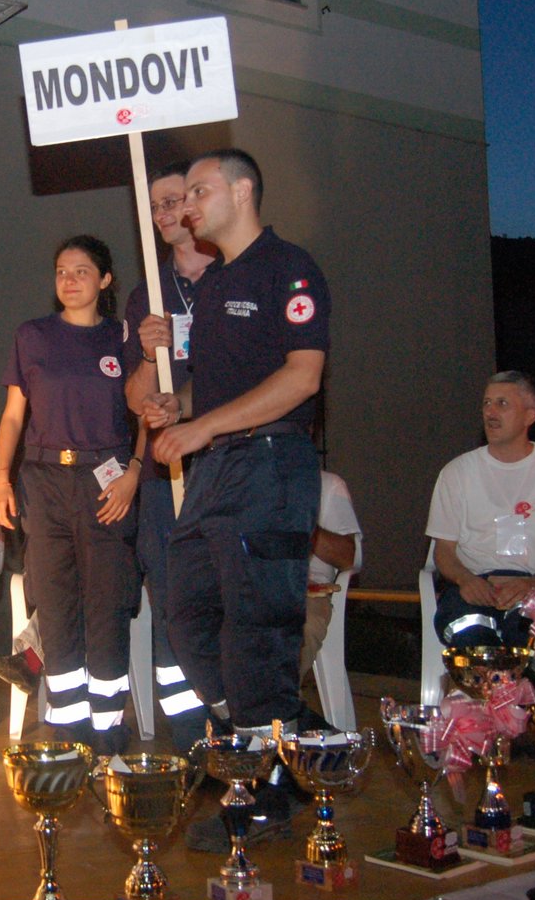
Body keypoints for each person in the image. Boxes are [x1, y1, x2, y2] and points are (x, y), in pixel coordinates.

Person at [141, 149, 331, 846]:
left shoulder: (290, 268)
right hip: (217, 469)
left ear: (243, 190)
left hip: (271, 465)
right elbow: (214, 390)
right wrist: (179, 405)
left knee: (257, 628)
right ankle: (292, 741)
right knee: (188, 616)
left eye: (199, 189)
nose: (187, 202)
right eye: (183, 192)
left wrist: (202, 427)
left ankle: (268, 791)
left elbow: (303, 377)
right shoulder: (216, 284)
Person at [0, 235, 141, 755]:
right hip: (44, 479)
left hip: (107, 481)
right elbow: (14, 415)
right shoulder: (32, 336)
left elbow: (150, 408)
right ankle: (68, 727)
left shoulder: (123, 337)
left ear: (104, 280)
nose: (70, 279)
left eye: (82, 270)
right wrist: (0, 479)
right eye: (61, 270)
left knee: (106, 602)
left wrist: (135, 473)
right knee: (54, 602)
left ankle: (109, 728)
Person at [121, 159, 216, 755]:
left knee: (226, 595)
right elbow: (135, 398)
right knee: (171, 599)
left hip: (225, 462)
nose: (164, 213)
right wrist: (146, 352)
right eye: (154, 205)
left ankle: (237, 731)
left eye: (174, 199)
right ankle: (190, 743)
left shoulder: (235, 278)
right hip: (166, 471)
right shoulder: (148, 294)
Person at [426, 371, 535, 647]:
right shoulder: (456, 472)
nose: (490, 412)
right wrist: (466, 580)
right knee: (474, 640)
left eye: (502, 404)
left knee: (528, 642)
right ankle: (483, 684)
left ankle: (524, 686)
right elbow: (443, 551)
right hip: (475, 586)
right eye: (486, 403)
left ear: (530, 416)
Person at [300, 472, 361, 708]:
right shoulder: (240, 479)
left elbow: (349, 558)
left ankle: (276, 714)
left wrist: (301, 522)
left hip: (307, 593)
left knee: (296, 630)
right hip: (248, 590)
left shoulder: (327, 486)